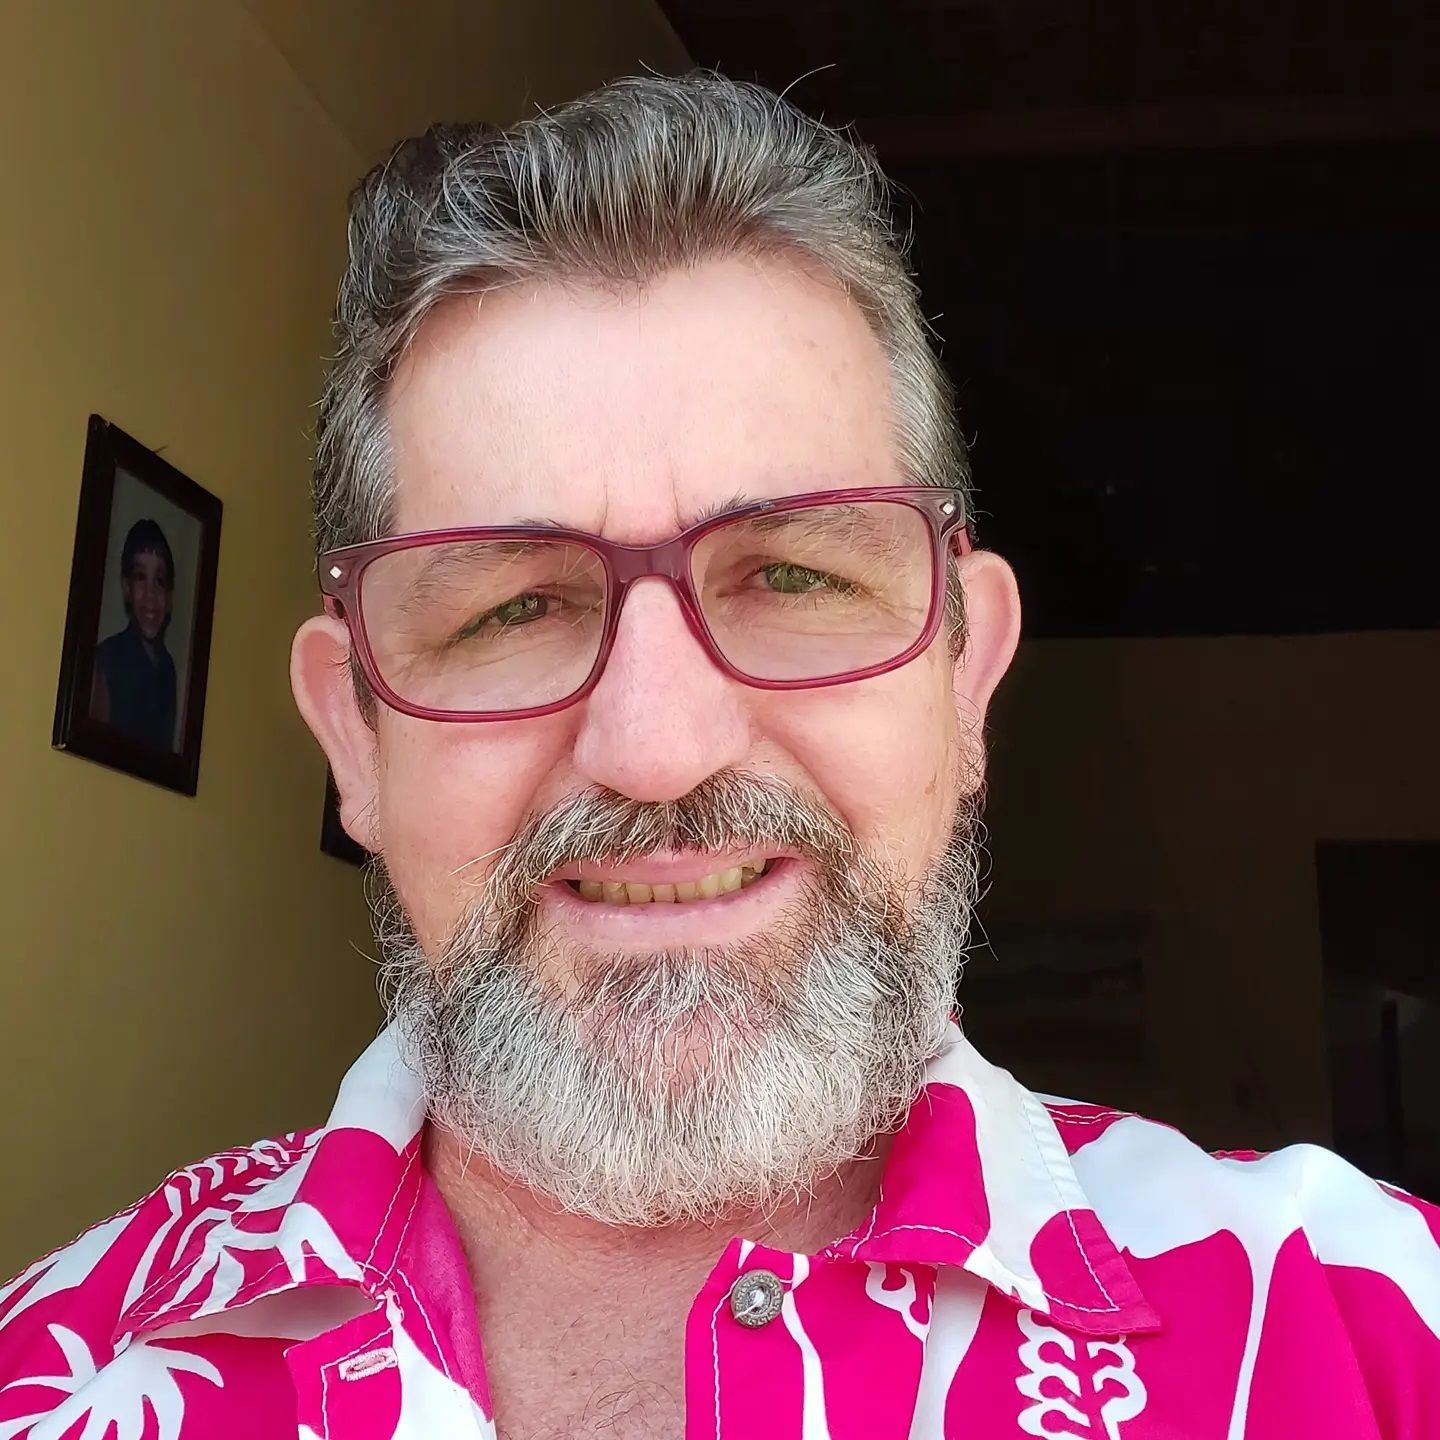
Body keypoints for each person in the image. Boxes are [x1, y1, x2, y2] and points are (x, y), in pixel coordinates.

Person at [3, 74, 1437, 1440]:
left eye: (795, 577)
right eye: (513, 609)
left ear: (966, 678)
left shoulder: (1372, 1331)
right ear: (353, 736)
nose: (657, 748)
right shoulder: (48, 1376)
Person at [89, 517, 179, 750]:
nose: (150, 594)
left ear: (170, 597)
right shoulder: (107, 659)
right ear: (126, 587)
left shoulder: (168, 669)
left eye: (159, 581)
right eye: (140, 577)